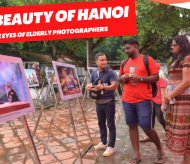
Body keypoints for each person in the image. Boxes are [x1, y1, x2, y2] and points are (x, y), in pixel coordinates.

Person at [118, 38, 165, 164]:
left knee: (147, 127)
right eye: (125, 48)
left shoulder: (147, 59)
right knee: (132, 126)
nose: (126, 50)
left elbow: (155, 76)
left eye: (128, 48)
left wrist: (140, 79)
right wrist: (123, 78)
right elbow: (119, 78)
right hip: (127, 100)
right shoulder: (124, 62)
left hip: (144, 100)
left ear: (135, 47)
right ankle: (137, 155)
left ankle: (160, 150)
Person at [163, 35, 190, 164]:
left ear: (182, 45)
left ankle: (187, 160)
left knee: (185, 130)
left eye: (174, 45)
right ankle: (186, 160)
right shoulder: (176, 59)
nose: (172, 47)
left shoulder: (187, 59)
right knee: (181, 129)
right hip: (174, 100)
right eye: (171, 45)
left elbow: (186, 82)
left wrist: (169, 96)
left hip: (183, 100)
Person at [85, 53, 117, 157]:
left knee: (111, 124)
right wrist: (88, 87)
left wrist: (102, 88)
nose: (104, 62)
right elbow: (90, 83)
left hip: (109, 102)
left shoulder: (110, 72)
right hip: (98, 102)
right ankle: (103, 142)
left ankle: (111, 146)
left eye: (105, 59)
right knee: (101, 123)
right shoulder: (94, 73)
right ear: (96, 62)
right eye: (101, 60)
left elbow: (114, 86)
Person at [140, 63, 166, 142]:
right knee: (151, 120)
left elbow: (163, 93)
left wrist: (163, 105)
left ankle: (169, 134)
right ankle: (150, 136)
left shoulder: (161, 80)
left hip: (158, 102)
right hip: (151, 101)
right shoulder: (150, 80)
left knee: (160, 119)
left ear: (158, 70)